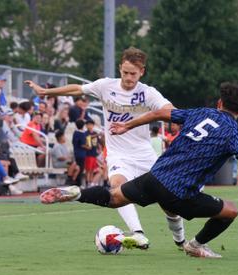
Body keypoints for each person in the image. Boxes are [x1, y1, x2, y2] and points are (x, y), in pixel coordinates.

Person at [40, 82, 238, 258]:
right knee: (231, 211)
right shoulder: (234, 132)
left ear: (218, 103)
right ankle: (195, 245)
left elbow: (161, 113)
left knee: (115, 197)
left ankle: (78, 193)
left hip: (155, 176)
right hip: (179, 193)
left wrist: (128, 126)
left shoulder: (200, 113)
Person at [25, 46, 185, 250]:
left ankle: (180, 240)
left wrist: (180, 117)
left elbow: (167, 108)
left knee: (168, 201)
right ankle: (138, 234)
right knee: (118, 188)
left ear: (142, 72)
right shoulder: (105, 86)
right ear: (120, 69)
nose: (128, 78)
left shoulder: (147, 93)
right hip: (118, 154)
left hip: (145, 155)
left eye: (133, 74)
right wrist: (46, 91)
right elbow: (77, 89)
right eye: (125, 72)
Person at [84, 120, 99, 186]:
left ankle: (90, 182)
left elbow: (97, 142)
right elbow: (88, 138)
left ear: (93, 125)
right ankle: (87, 183)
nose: (89, 126)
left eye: (91, 124)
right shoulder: (86, 133)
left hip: (94, 154)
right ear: (86, 126)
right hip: (88, 154)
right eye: (88, 124)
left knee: (93, 170)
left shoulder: (95, 133)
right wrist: (96, 135)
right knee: (88, 169)